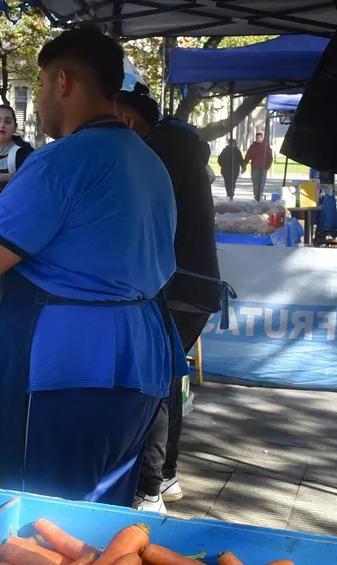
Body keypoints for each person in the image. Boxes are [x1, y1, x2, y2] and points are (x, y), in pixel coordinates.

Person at [0, 27, 186, 505]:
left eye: (37, 86)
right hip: (143, 359)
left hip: (70, 366)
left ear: (62, 82)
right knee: (100, 511)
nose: (36, 101)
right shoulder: (148, 160)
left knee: (42, 518)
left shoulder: (60, 161)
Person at [116, 85, 222, 513]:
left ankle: (149, 490)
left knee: (156, 382)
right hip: (194, 285)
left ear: (127, 122)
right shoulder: (178, 142)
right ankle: (167, 475)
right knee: (169, 379)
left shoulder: (156, 153)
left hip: (178, 286)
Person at [0, 104, 34, 192]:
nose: (2, 125)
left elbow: (30, 182)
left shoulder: (25, 152)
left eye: (8, 122)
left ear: (15, 127)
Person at [243, 132, 273, 201]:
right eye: (257, 138)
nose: (258, 139)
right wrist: (244, 166)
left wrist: (267, 167)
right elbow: (248, 156)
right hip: (255, 168)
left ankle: (259, 195)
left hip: (263, 168)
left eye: (259, 138)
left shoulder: (266, 146)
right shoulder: (253, 147)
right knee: (255, 182)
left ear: (262, 138)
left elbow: (270, 158)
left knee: (262, 182)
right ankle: (256, 195)